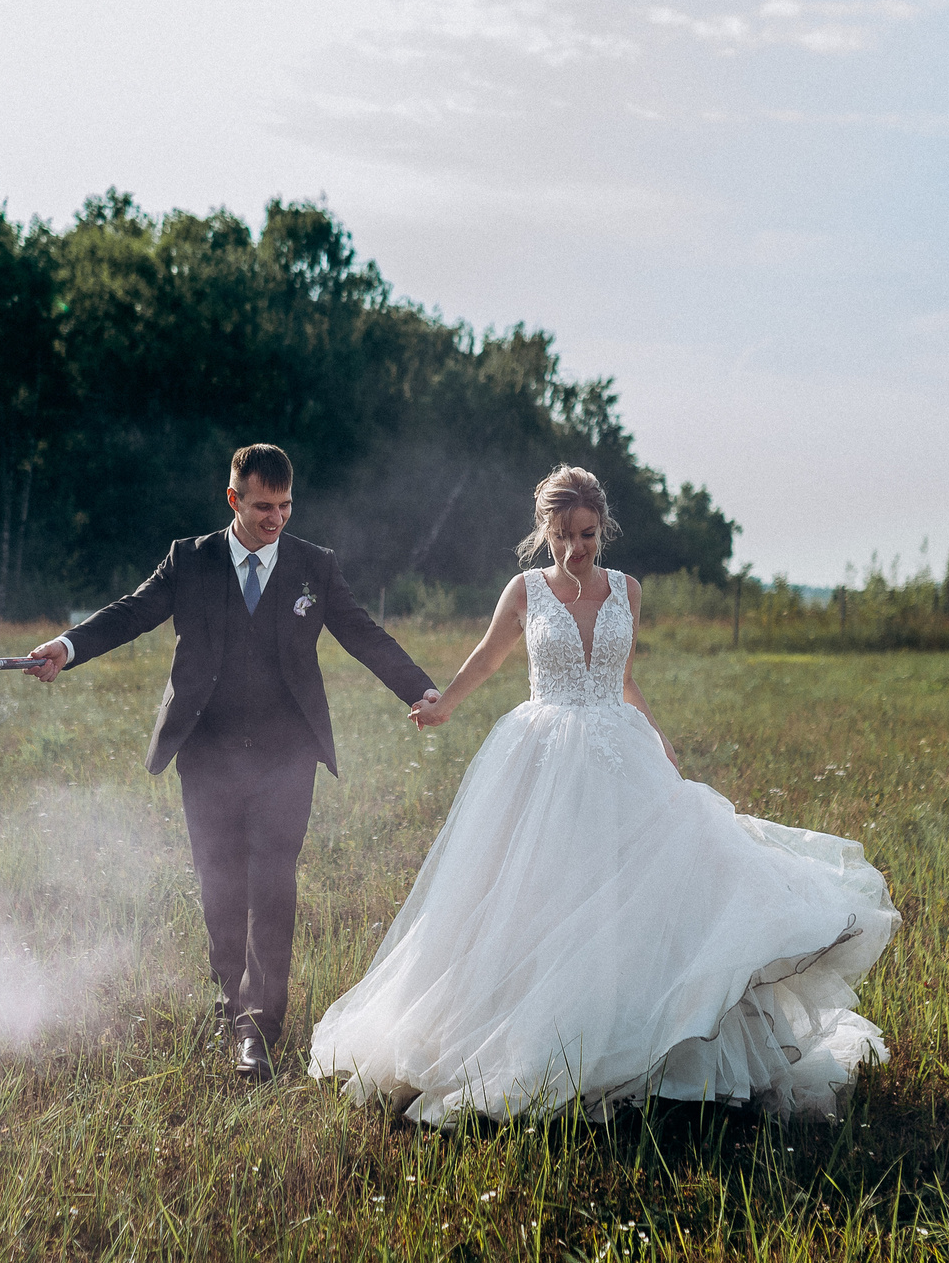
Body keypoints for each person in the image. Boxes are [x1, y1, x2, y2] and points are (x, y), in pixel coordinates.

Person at [308, 465, 900, 1125]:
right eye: (562, 536)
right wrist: (445, 703)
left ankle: (646, 1041)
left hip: (621, 752)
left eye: (587, 535)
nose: (576, 549)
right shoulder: (526, 590)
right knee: (540, 897)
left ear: (603, 528)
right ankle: (534, 1037)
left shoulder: (628, 590)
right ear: (545, 531)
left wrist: (659, 740)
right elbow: (489, 656)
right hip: (543, 754)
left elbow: (622, 678)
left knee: (646, 894)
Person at [24, 445, 439, 1081]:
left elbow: (363, 633)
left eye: (285, 506)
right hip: (207, 751)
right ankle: (231, 1000)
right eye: (263, 507)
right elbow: (132, 613)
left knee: (272, 882)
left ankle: (260, 1028)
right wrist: (68, 645)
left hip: (287, 755)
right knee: (218, 882)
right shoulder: (189, 560)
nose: (276, 519)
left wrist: (420, 688)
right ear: (233, 501)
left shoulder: (314, 566)